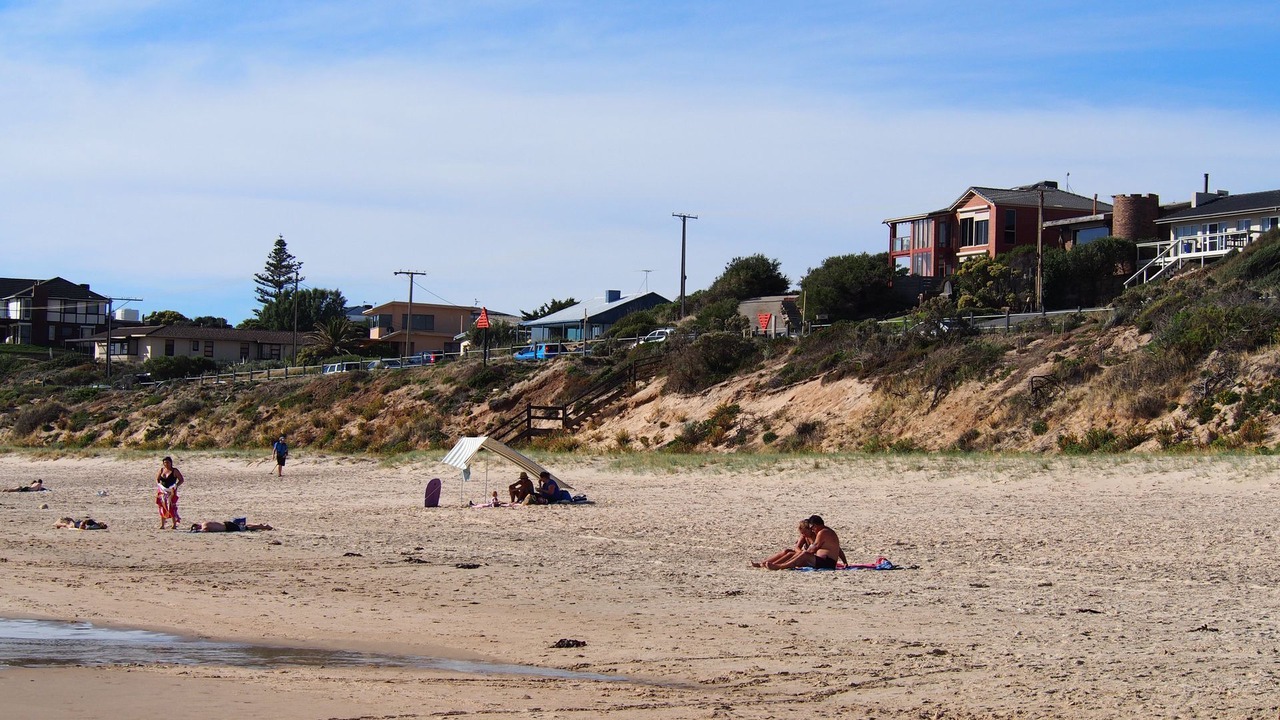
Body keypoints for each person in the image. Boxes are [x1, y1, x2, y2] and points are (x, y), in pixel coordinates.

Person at [764, 515, 846, 570]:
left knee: (803, 555)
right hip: (823, 561)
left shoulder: (823, 532)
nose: (812, 530)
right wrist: (845, 562)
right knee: (794, 555)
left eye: (812, 527)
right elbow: (837, 548)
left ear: (815, 525)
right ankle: (773, 564)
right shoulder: (826, 531)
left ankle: (781, 566)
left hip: (827, 562)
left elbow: (814, 548)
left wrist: (803, 553)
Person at [155, 456, 184, 530]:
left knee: (171, 507)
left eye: (168, 462)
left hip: (171, 491)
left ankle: (174, 524)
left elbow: (181, 480)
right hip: (162, 491)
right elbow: (157, 479)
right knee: (162, 506)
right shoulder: (162, 470)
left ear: (171, 463)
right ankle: (162, 525)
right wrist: (159, 485)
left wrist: (176, 486)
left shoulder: (175, 471)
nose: (166, 464)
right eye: (165, 463)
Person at [189, 518, 273, 533]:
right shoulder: (205, 522)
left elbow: (205, 530)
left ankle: (264, 527)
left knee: (245, 528)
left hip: (227, 527)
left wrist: (197, 531)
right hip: (227, 525)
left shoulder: (204, 524)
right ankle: (259, 525)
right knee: (244, 527)